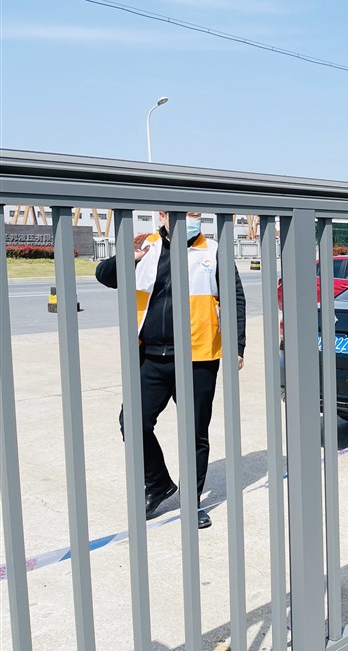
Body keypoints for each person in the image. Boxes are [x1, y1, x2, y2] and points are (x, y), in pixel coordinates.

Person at [96, 211, 246, 529]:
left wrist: (237, 345)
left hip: (198, 357)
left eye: (196, 214)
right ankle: (158, 483)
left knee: (195, 433)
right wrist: (127, 257)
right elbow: (105, 277)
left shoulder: (212, 250)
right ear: (163, 215)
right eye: (187, 213)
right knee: (133, 422)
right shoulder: (146, 246)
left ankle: (192, 503)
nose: (193, 219)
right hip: (150, 356)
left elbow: (235, 298)